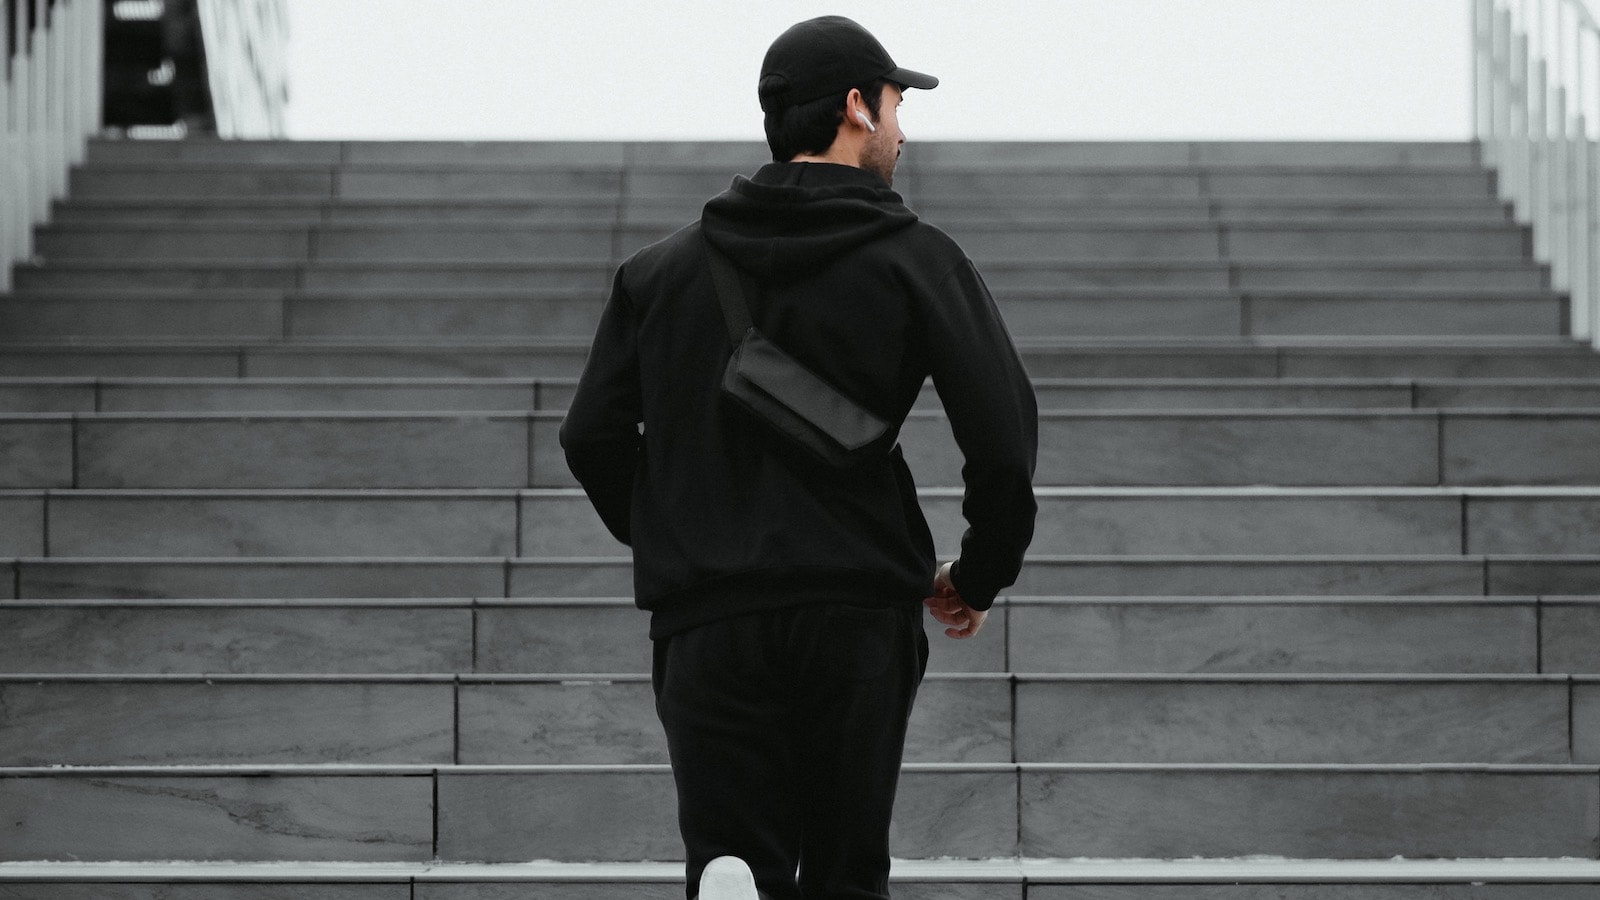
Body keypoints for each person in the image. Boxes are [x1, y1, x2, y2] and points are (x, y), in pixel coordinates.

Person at [559, 15, 1038, 900]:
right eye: (896, 104)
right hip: (856, 609)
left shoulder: (658, 273)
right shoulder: (919, 260)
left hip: (708, 617)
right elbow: (1002, 441)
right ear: (856, 107)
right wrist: (977, 576)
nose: (903, 129)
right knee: (845, 867)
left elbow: (590, 435)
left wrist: (678, 532)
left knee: (733, 854)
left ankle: (734, 873)